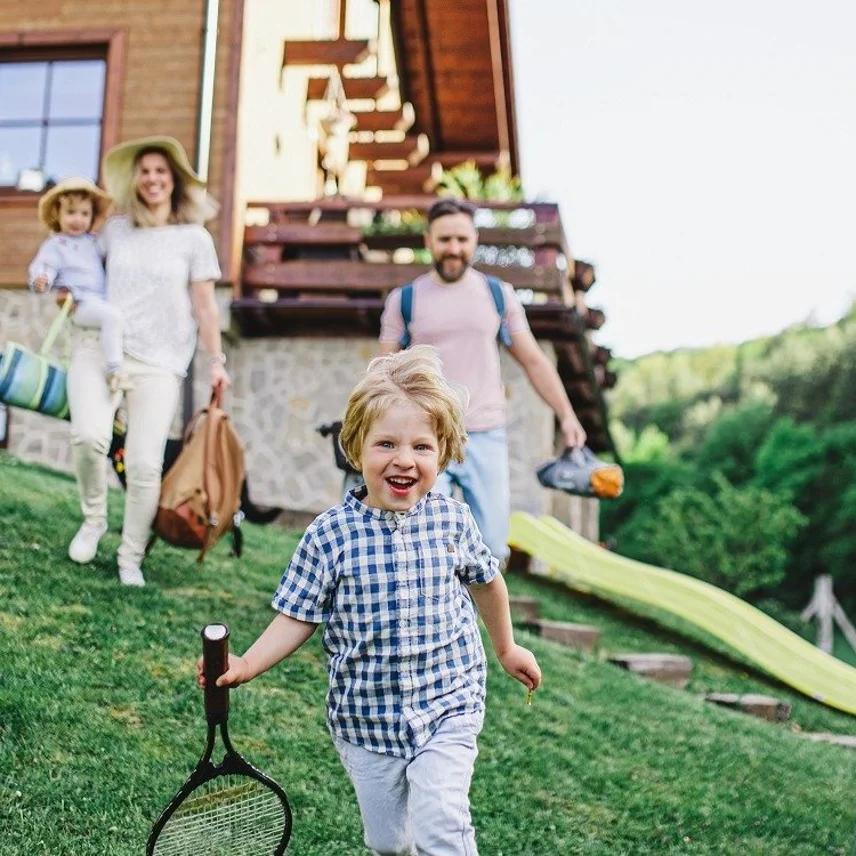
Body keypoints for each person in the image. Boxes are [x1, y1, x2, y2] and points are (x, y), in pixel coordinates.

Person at [198, 346, 541, 856]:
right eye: (386, 444)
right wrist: (247, 662)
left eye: (421, 447)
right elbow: (298, 615)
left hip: (448, 700)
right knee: (389, 845)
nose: (404, 459)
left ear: (442, 453)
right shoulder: (330, 535)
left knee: (441, 824)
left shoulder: (453, 520)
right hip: (365, 719)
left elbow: (488, 583)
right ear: (356, 449)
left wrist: (507, 648)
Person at [378, 197, 587, 560]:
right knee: (422, 541)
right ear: (428, 240)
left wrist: (566, 414)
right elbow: (381, 371)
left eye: (462, 239)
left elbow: (534, 361)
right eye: (444, 240)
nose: (453, 249)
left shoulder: (498, 295)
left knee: (489, 549)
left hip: (486, 434)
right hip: (427, 437)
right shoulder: (405, 300)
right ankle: (433, 616)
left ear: (474, 239)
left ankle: (473, 618)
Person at [64, 136, 229, 587]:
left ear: (173, 179)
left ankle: (129, 557)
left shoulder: (193, 239)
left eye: (161, 170)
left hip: (159, 362)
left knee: (143, 465)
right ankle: (94, 519)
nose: (152, 178)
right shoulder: (115, 231)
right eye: (145, 171)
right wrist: (61, 284)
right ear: (134, 181)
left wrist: (217, 361)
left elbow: (206, 307)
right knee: (88, 437)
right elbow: (81, 269)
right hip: (99, 348)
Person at [28, 177, 130, 393]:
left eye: (85, 214)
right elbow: (46, 266)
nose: (78, 220)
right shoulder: (57, 244)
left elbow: (112, 251)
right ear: (58, 214)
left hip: (99, 300)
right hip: (80, 303)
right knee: (112, 317)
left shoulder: (93, 242)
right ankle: (115, 370)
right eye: (71, 212)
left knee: (113, 319)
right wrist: (42, 279)